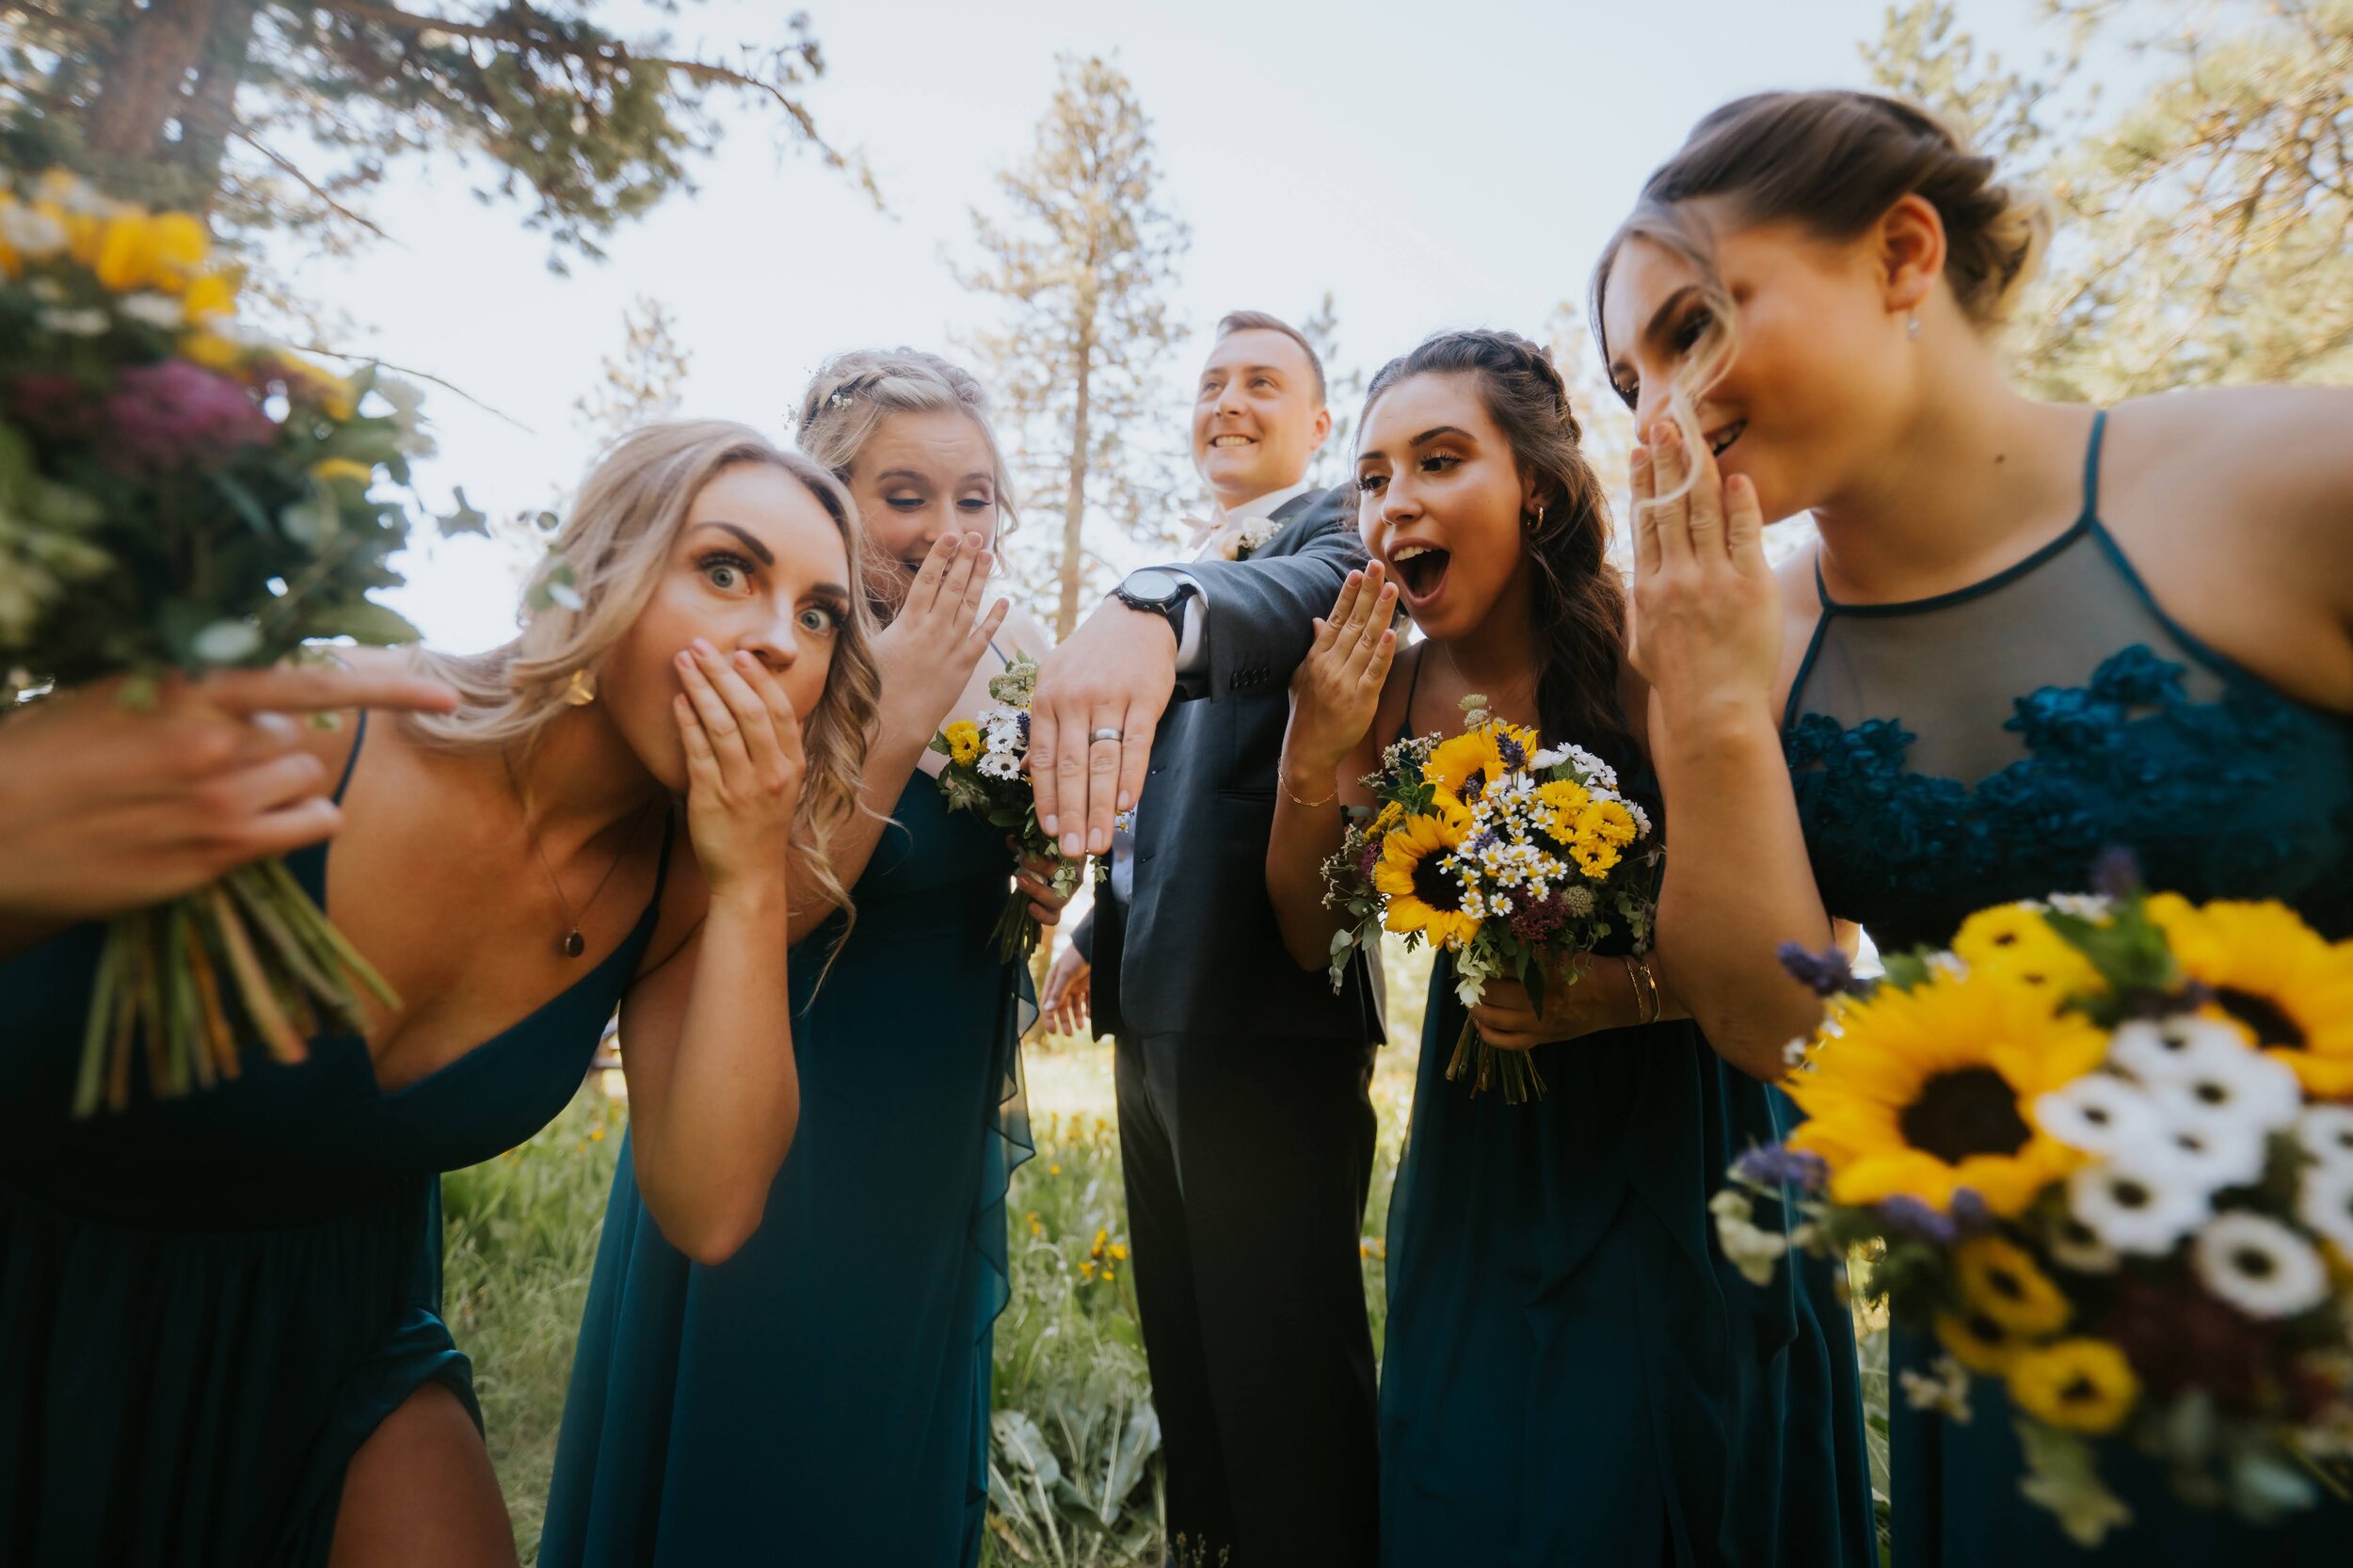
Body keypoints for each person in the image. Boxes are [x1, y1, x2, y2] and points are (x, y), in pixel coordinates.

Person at [1595, 89, 2353, 1565]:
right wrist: (1702, 700)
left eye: (1692, 329)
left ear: (1901, 252)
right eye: (1627, 380)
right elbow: (1770, 1022)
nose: (1660, 414)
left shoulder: (2290, 484)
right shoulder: (1735, 627)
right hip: (2013, 1362)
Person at [0, 419, 878, 1568]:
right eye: (726, 571)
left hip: (337, 1340)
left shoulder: (681, 890)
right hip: (43, 1275)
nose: (776, 642)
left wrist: (750, 877)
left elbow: (710, 1208)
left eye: (818, 615)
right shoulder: (335, 722)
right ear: (594, 574)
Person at [1263, 328, 1877, 1567]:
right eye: (1373, 478)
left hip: (1686, 1128)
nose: (1398, 503)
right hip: (1483, 1152)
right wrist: (1311, 746)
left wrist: (1623, 993)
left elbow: (1829, 936)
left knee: (1651, 1476)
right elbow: (1312, 931)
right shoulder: (1383, 688)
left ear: (1534, 484)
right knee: (1465, 1468)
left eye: (1440, 460)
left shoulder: (1664, 651)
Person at [542, 350, 1068, 1568]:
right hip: (785, 1090)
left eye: (975, 496)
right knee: (763, 1421)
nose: (948, 529)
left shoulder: (1020, 655)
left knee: (885, 1416)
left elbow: (979, 859)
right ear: (832, 498)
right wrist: (896, 720)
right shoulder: (774, 644)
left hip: (925, 1109)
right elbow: (754, 906)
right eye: (906, 494)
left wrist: (1047, 869)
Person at [1039, 311, 1383, 1565]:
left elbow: (1299, 604)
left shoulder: (1341, 526)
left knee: (1282, 1363)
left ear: (1316, 421)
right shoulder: (1187, 562)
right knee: (1187, 1344)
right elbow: (1153, 802)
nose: (1229, 401)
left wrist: (1156, 594)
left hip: (1271, 999)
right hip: (1157, 996)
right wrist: (1096, 914)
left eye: (1261, 382)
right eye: (1212, 382)